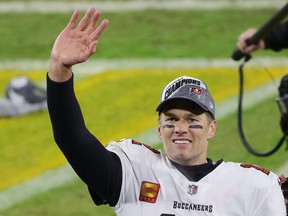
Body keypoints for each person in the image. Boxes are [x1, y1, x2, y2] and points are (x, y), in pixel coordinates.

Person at [47, 7, 287, 215]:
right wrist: (60, 69)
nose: (180, 128)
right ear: (159, 128)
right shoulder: (132, 172)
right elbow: (72, 138)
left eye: (192, 119)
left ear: (211, 127)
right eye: (171, 120)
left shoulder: (254, 186)